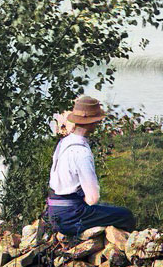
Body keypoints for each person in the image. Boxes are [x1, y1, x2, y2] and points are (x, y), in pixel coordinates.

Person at [45, 95, 136, 236]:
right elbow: (93, 198)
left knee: (106, 209)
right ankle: (125, 247)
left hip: (53, 211)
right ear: (92, 122)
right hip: (69, 218)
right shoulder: (82, 152)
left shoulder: (64, 142)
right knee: (125, 215)